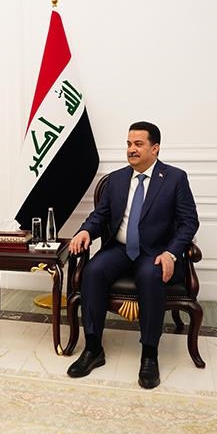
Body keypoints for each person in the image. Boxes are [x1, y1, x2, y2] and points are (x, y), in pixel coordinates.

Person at [66, 121, 199, 389]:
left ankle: (149, 354)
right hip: (120, 249)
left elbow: (189, 222)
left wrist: (171, 253)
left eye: (138, 144)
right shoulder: (116, 179)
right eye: (128, 144)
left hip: (155, 252)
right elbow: (100, 216)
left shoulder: (174, 178)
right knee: (92, 271)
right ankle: (93, 348)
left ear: (155, 148)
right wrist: (85, 231)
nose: (131, 149)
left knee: (150, 276)